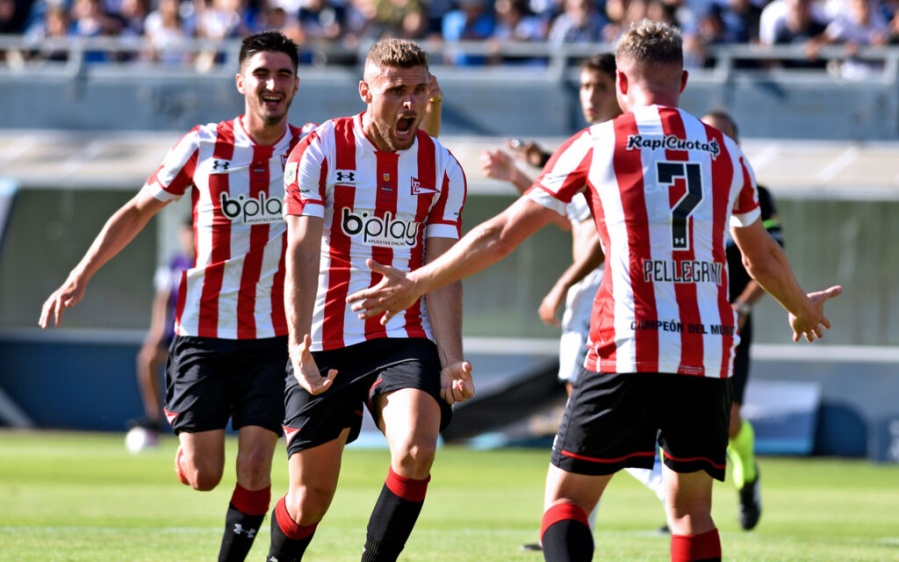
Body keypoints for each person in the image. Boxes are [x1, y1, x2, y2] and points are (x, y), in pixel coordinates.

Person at [346, 19, 842, 562]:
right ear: (684, 78)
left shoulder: (597, 143)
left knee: (565, 504)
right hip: (706, 351)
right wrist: (801, 305)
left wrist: (417, 280)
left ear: (622, 85)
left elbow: (502, 235)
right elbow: (761, 256)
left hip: (626, 344)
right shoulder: (725, 152)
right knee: (691, 513)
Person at [39, 31, 315, 562]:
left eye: (283, 75)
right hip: (203, 334)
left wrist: (426, 102)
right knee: (205, 475)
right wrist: (81, 272)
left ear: (297, 85)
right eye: (261, 73)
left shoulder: (309, 151)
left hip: (275, 336)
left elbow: (384, 149)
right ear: (241, 82)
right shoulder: (203, 145)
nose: (272, 84)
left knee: (257, 463)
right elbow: (139, 209)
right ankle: (189, 450)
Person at [266, 37, 472, 562]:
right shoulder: (319, 149)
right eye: (395, 90)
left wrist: (451, 360)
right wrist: (298, 344)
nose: (409, 103)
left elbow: (444, 272)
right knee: (309, 499)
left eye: (419, 91)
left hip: (403, 336)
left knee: (416, 450)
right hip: (326, 334)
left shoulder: (444, 168)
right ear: (365, 92)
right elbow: (302, 251)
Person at [480, 53, 666, 550]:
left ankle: (659, 490)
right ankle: (575, 520)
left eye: (599, 86)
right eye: (584, 86)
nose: (589, 95)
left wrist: (562, 284)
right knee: (584, 419)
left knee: (586, 417)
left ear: (620, 87)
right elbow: (568, 213)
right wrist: (523, 170)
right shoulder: (594, 146)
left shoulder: (615, 146)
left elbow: (593, 235)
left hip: (601, 297)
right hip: (606, 299)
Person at [701, 108, 783, 531]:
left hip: (731, 324)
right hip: (685, 317)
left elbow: (769, 257)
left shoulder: (753, 192)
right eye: (707, 135)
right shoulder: (683, 182)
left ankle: (747, 473)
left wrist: (744, 306)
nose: (714, 143)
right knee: (678, 412)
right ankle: (682, 507)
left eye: (723, 137)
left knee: (728, 422)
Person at [128, 219, 195, 449]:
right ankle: (154, 418)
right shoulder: (175, 263)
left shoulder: (207, 261)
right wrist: (156, 331)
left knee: (189, 375)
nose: (189, 238)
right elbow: (163, 299)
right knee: (146, 359)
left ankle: (189, 424)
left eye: (193, 233)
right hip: (173, 333)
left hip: (197, 333)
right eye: (185, 233)